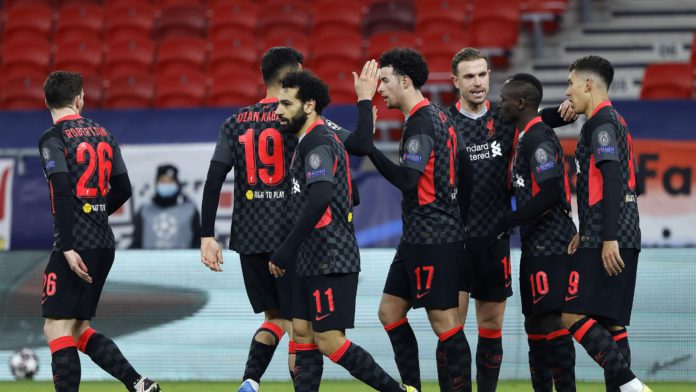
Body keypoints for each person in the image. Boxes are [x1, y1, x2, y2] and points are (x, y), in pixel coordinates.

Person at [200, 47, 378, 392]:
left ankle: (251, 379)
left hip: (250, 237)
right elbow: (360, 145)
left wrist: (207, 234)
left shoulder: (234, 122)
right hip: (294, 237)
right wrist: (365, 100)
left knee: (275, 318)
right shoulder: (299, 115)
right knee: (303, 328)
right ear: (293, 75)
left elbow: (214, 179)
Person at [267, 70, 416, 392]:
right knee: (303, 335)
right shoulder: (315, 138)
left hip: (328, 256)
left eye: (285, 104)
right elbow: (350, 192)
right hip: (313, 256)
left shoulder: (318, 142)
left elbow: (320, 197)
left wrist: (285, 249)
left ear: (308, 106)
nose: (277, 111)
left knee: (330, 341)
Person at [38, 71, 159, 392]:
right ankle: (138, 383)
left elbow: (61, 191)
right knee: (78, 329)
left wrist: (67, 243)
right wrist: (97, 210)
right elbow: (123, 188)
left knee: (56, 328)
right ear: (79, 99)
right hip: (103, 241)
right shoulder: (104, 134)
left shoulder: (53, 138)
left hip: (75, 242)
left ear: (46, 100)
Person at [369, 48, 473, 392]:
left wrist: (369, 149)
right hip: (423, 235)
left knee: (445, 323)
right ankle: (412, 388)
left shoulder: (421, 122)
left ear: (405, 81)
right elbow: (466, 170)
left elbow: (408, 181)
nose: (379, 87)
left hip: (432, 236)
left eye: (384, 80)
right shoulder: (442, 117)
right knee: (390, 312)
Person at [561, 55, 651, 392]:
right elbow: (633, 182)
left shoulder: (599, 124)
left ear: (588, 84)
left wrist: (606, 236)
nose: (567, 91)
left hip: (608, 235)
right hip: (619, 230)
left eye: (571, 83)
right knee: (611, 322)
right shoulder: (617, 122)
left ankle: (630, 386)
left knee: (571, 314)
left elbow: (613, 177)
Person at [497, 73, 577, 392]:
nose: (500, 104)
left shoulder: (537, 138)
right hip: (535, 244)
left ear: (520, 103)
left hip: (553, 242)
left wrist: (509, 220)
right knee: (534, 325)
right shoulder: (527, 134)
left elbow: (551, 192)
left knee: (553, 322)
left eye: (504, 100)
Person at [447, 47, 518, 392]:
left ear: (490, 75)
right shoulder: (443, 123)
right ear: (455, 82)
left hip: (494, 238)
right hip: (454, 242)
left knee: (491, 326)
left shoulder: (508, 118)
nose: (477, 82)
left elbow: (542, 121)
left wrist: (563, 113)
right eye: (469, 76)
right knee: (451, 328)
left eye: (482, 74)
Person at [131, 164, 201, 249]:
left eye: (170, 182)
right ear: (156, 184)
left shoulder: (190, 210)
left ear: (177, 184)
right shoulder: (144, 211)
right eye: (163, 182)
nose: (166, 185)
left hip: (182, 261)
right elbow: (136, 243)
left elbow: (197, 243)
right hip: (150, 261)